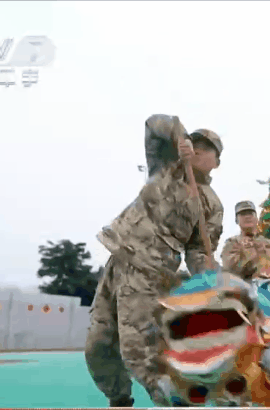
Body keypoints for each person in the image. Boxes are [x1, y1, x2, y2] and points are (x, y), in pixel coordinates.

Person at [84, 115, 224, 408]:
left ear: (216, 162)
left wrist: (209, 275)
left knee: (139, 352)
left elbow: (199, 250)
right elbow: (154, 125)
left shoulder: (210, 204)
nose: (198, 149)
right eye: (195, 143)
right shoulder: (166, 168)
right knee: (98, 344)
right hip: (119, 257)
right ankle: (119, 398)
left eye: (207, 148)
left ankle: (178, 400)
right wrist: (178, 136)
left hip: (151, 270)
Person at [220, 200, 270, 280]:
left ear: (256, 218)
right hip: (246, 287)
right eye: (243, 214)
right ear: (237, 220)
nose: (247, 216)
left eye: (250, 213)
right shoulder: (232, 244)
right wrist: (249, 253)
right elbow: (230, 269)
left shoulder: (269, 243)